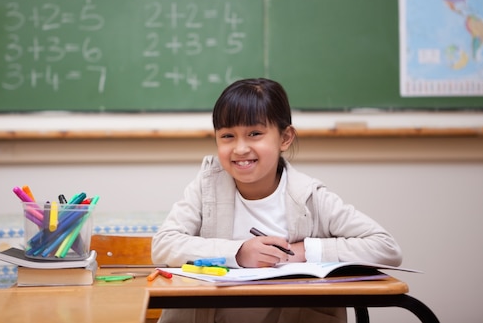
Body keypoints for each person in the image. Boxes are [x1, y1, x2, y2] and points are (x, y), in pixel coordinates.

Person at [151, 78, 402, 323]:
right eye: (227, 136)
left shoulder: (309, 196)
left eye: (255, 133)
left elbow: (385, 248)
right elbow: (164, 244)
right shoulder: (207, 185)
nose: (239, 148)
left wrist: (306, 251)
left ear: (285, 138)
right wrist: (238, 253)